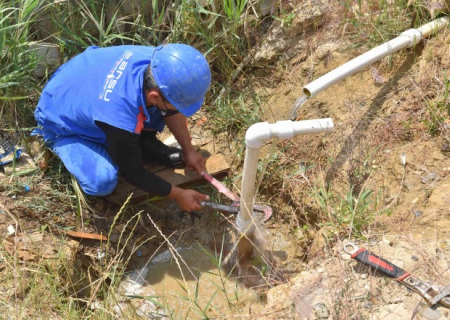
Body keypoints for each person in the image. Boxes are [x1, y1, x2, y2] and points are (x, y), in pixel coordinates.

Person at [34, 44, 211, 212]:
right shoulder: (119, 113)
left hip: (80, 78)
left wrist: (189, 151)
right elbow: (133, 173)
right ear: (154, 96)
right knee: (102, 182)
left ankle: (135, 143)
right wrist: (179, 195)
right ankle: (74, 140)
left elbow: (170, 108)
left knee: (164, 107)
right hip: (57, 116)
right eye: (179, 106)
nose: (181, 110)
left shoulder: (160, 63)